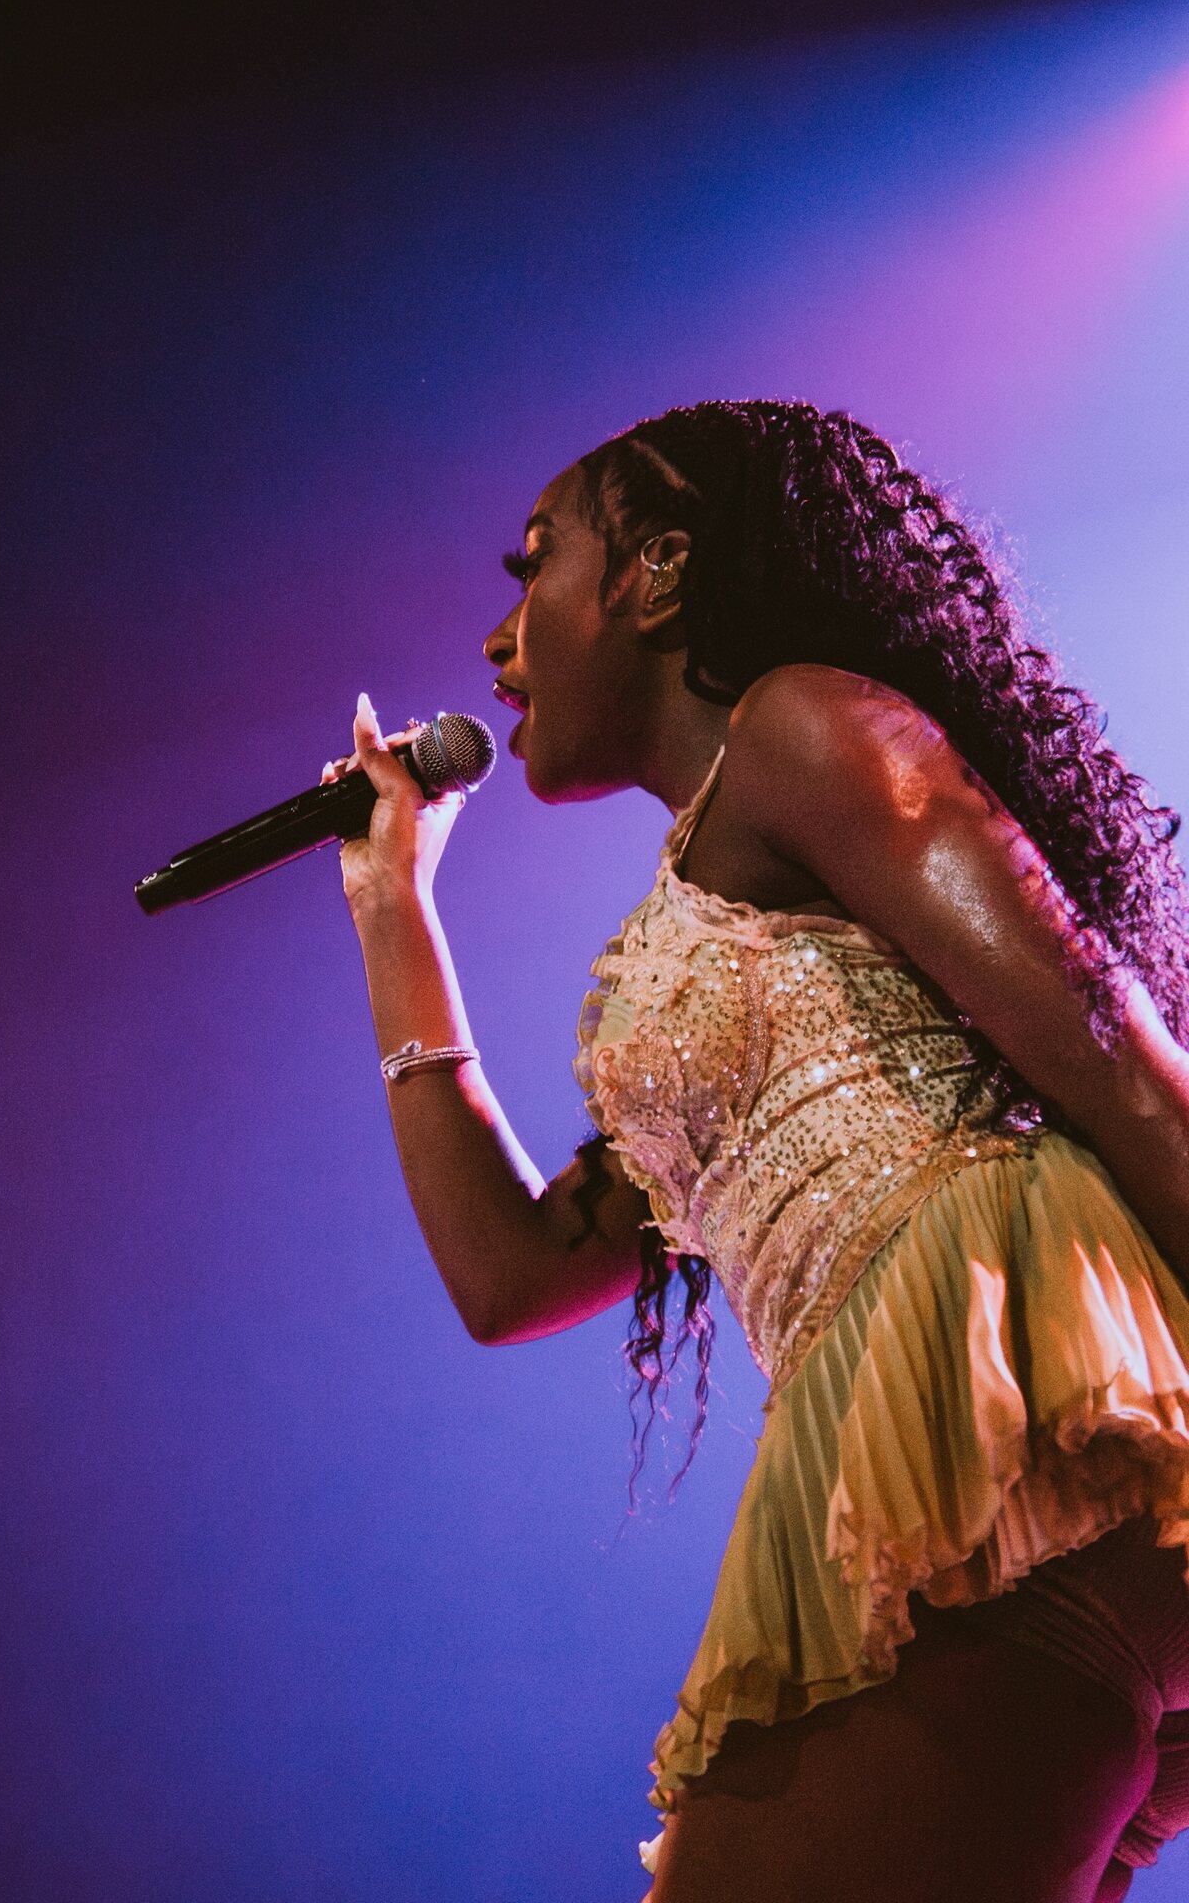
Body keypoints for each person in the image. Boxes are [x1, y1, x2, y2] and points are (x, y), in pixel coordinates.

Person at [329, 399, 1189, 1902]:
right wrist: (393, 907)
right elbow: (511, 1274)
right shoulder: (712, 928)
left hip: (1010, 1447)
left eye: (538, 563)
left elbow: (1113, 1060)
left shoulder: (804, 723)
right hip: (984, 1499)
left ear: (656, 573)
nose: (498, 639)